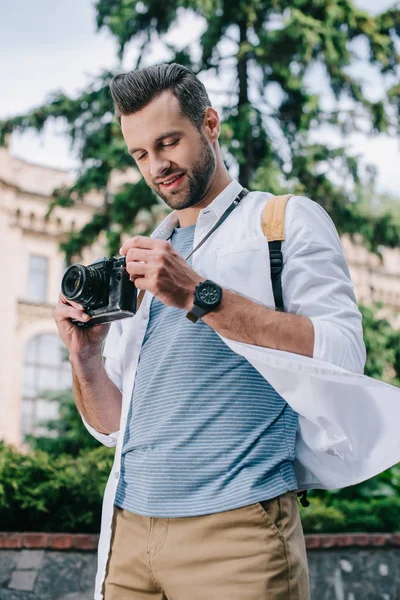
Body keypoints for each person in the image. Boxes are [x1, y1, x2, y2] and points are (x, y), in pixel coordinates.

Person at [55, 63, 392, 600]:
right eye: (140, 153)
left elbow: (343, 353)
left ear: (209, 123)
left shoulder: (284, 223)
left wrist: (198, 294)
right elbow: (114, 427)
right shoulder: (141, 262)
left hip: (238, 535)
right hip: (127, 534)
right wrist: (86, 358)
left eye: (169, 142)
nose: (157, 166)